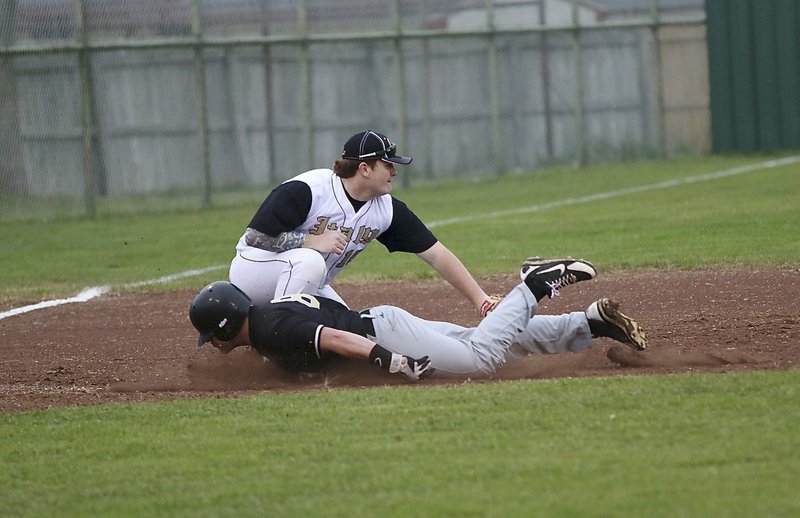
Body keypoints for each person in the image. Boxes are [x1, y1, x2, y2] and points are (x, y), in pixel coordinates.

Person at [189, 257, 648, 381]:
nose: (211, 343)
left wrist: (389, 361)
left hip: (386, 335)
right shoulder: (270, 311)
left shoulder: (269, 330)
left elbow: (333, 339)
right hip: (383, 322)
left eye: (211, 335)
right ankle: (589, 323)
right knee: (484, 339)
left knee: (481, 359)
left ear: (228, 326)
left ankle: (534, 284)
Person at [228, 129, 499, 317]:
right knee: (310, 262)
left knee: (347, 328)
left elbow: (436, 254)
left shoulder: (386, 210)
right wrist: (308, 241)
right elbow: (254, 238)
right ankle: (274, 340)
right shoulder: (309, 189)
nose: (395, 171)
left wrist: (482, 300)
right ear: (364, 168)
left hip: (308, 282)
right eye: (387, 165)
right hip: (254, 272)